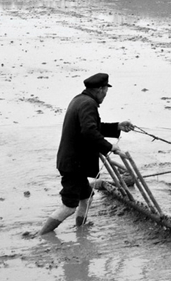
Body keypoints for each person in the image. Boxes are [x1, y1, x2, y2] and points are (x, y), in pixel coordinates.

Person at [39, 72, 135, 235]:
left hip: (73, 162)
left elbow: (93, 127)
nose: (105, 95)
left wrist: (117, 126)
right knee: (69, 207)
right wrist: (110, 147)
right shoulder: (88, 104)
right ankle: (41, 236)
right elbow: (89, 132)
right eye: (105, 91)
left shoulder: (79, 100)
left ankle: (81, 232)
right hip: (74, 165)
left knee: (87, 197)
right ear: (99, 89)